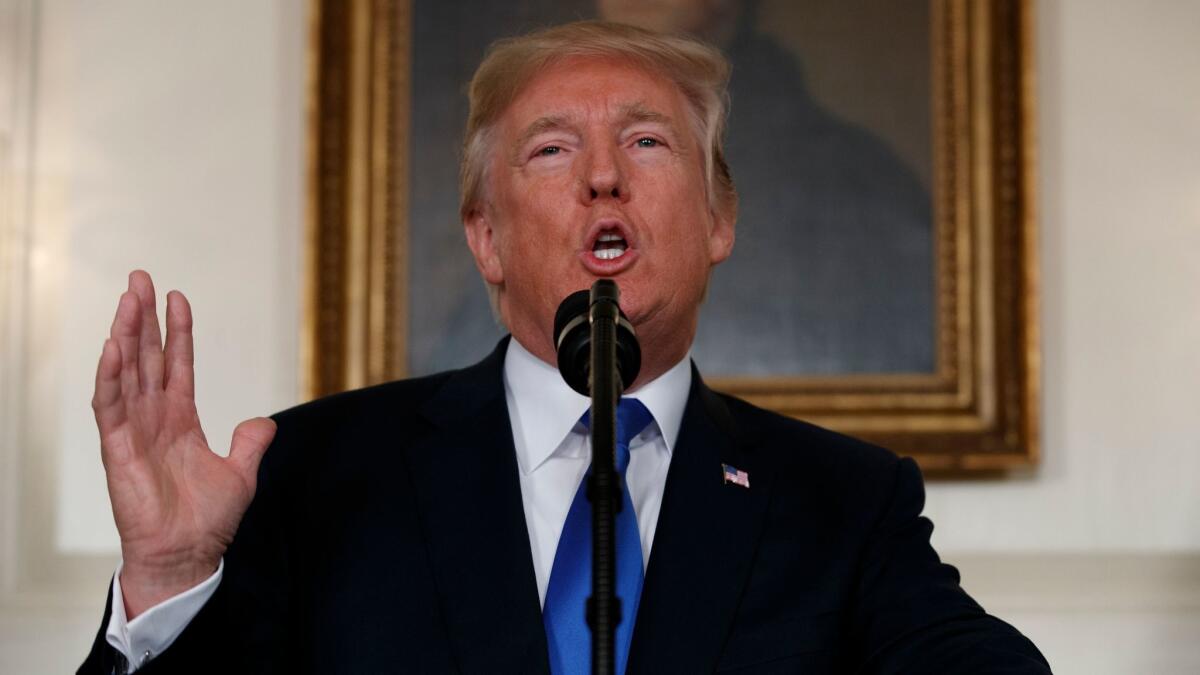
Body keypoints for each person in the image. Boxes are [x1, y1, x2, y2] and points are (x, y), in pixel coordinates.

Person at [80, 21, 1048, 674]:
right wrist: (167, 583)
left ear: (720, 219)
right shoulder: (319, 476)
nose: (601, 178)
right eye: (550, 150)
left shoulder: (844, 504)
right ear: (485, 237)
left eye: (648, 143)